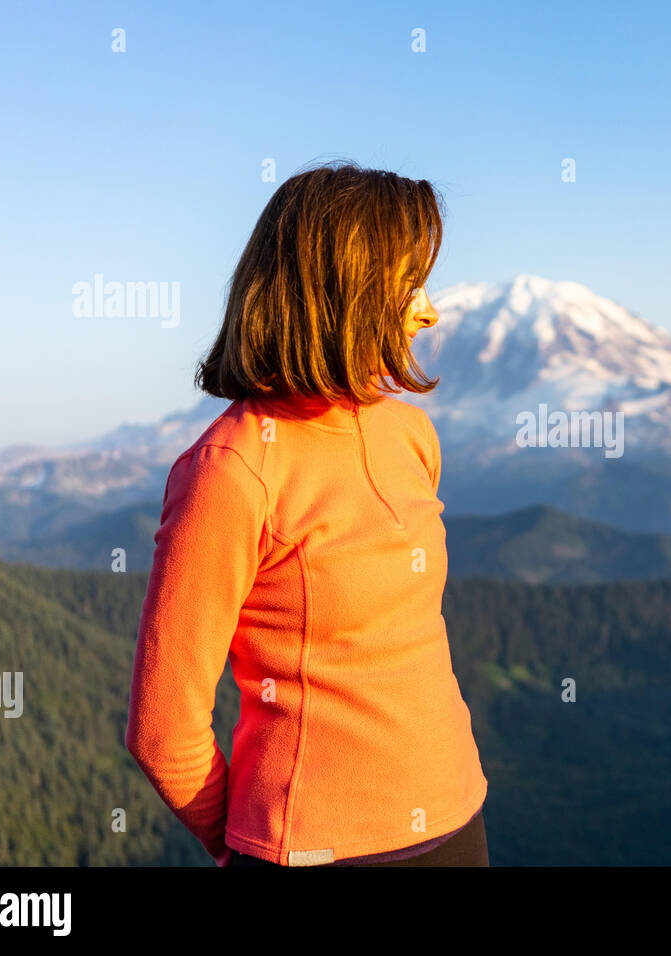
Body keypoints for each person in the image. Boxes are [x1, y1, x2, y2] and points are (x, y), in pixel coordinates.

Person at [124, 160, 489, 867]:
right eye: (408, 282)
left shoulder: (410, 434)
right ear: (341, 292)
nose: (429, 310)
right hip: (311, 851)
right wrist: (246, 845)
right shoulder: (229, 473)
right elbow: (162, 730)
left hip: (458, 821)